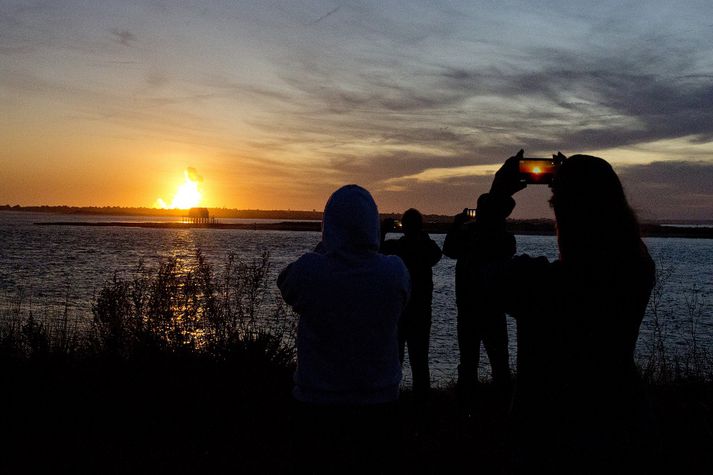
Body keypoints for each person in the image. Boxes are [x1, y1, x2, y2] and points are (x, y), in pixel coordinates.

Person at [478, 150, 656, 473]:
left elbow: (483, 270)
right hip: (621, 430)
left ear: (563, 217)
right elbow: (624, 243)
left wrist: (497, 195)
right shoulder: (637, 273)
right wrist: (582, 177)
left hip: (549, 442)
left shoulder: (541, 286)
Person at [277, 184, 410, 474]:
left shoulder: (311, 272)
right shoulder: (394, 272)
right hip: (381, 405)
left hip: (317, 405)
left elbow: (285, 283)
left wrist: (326, 248)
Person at [442, 195, 515, 402]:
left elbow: (449, 250)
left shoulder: (474, 235)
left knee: (471, 362)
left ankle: (469, 406)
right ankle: (501, 405)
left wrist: (457, 226)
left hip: (473, 308)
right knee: (497, 361)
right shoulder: (501, 236)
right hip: (490, 309)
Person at [381, 208, 442, 400]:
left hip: (401, 312)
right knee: (419, 361)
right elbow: (436, 253)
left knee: (395, 359)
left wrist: (382, 231)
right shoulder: (426, 247)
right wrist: (421, 235)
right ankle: (421, 403)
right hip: (420, 313)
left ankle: (391, 399)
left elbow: (376, 249)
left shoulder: (399, 248)